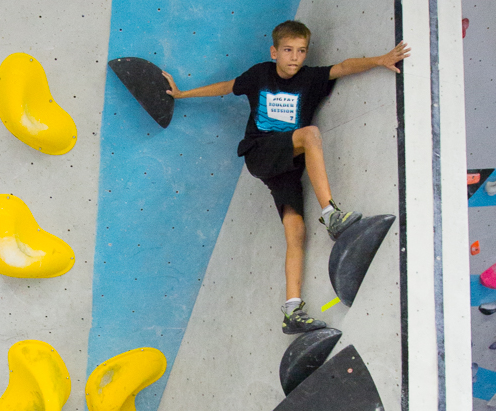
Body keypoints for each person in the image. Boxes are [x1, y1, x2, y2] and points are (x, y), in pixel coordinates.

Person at [163, 21, 409, 333]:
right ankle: (331, 214)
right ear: (275, 52)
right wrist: (183, 94)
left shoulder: (309, 78)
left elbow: (344, 67)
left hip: (287, 166)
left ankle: (292, 310)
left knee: (296, 231)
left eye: (301, 51)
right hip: (260, 152)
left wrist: (379, 60)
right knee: (310, 135)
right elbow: (227, 86)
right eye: (288, 51)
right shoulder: (260, 74)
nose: (295, 58)